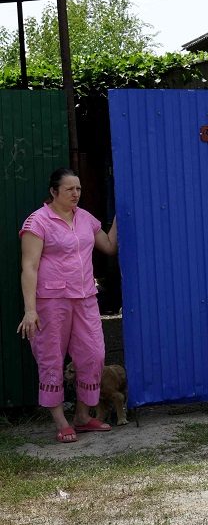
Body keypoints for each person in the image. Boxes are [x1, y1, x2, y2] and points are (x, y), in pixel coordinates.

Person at [17, 168, 118, 443]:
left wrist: (123, 208)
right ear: (53, 192)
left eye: (79, 189)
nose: (76, 194)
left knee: (94, 354)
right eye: (69, 189)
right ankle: (61, 421)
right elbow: (29, 267)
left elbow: (108, 246)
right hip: (51, 301)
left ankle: (83, 416)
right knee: (51, 357)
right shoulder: (38, 222)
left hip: (85, 298)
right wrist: (30, 309)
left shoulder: (85, 218)